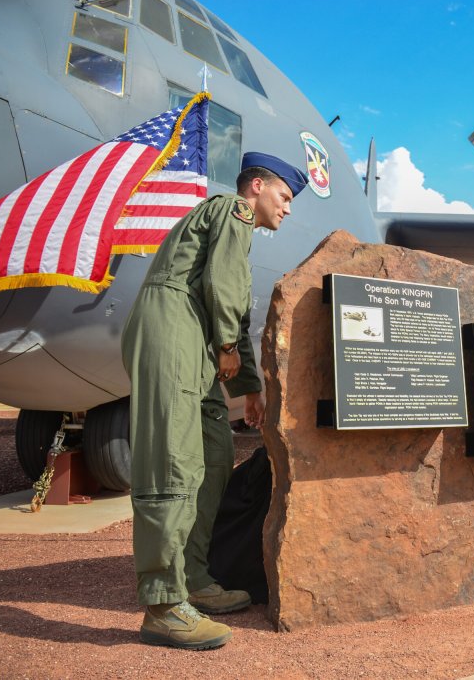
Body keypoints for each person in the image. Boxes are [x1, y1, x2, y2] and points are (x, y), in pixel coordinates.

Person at [121, 152, 306, 649]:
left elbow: (233, 311)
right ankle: (163, 603)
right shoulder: (232, 210)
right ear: (258, 187)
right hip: (174, 333)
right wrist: (226, 348)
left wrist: (247, 388)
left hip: (198, 345)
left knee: (215, 457)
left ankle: (194, 580)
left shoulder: (235, 235)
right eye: (285, 197)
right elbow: (221, 293)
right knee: (174, 463)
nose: (287, 209)